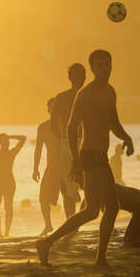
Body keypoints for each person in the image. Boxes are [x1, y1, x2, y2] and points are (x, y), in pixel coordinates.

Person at [36, 49, 134, 269]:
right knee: (111, 206)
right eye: (99, 65)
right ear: (92, 69)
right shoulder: (86, 94)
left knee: (92, 210)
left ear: (111, 65)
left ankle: (47, 243)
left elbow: (113, 123)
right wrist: (76, 160)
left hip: (100, 156)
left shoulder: (109, 92)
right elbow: (71, 127)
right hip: (89, 155)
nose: (104, 68)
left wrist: (127, 138)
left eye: (107, 64)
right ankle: (99, 259)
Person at [50, 64, 87, 214]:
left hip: (66, 143)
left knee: (67, 187)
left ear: (69, 78)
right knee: (94, 184)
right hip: (86, 141)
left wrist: (62, 140)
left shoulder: (60, 98)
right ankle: (83, 215)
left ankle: (71, 224)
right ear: (84, 77)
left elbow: (53, 125)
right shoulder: (88, 94)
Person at [32, 98, 62, 236]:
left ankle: (72, 226)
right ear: (48, 110)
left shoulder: (67, 125)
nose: (54, 110)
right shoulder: (43, 127)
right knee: (43, 198)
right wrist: (35, 168)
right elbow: (38, 149)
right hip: (51, 167)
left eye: (57, 108)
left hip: (67, 166)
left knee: (69, 197)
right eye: (52, 108)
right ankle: (48, 225)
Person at [0, 133, 26, 237]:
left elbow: (23, 138)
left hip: (8, 183)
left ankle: (6, 232)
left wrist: (8, 136)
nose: (7, 143)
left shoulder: (11, 153)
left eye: (7, 142)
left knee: (8, 208)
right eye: (5, 142)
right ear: (1, 143)